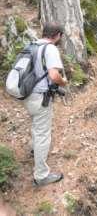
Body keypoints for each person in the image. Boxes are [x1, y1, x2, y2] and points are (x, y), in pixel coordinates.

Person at [23, 22, 67, 187]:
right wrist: (63, 83)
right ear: (57, 35)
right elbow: (54, 75)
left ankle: (35, 150)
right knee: (43, 134)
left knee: (36, 125)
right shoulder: (50, 49)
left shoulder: (33, 45)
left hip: (26, 95)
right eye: (60, 36)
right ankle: (41, 176)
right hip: (40, 98)